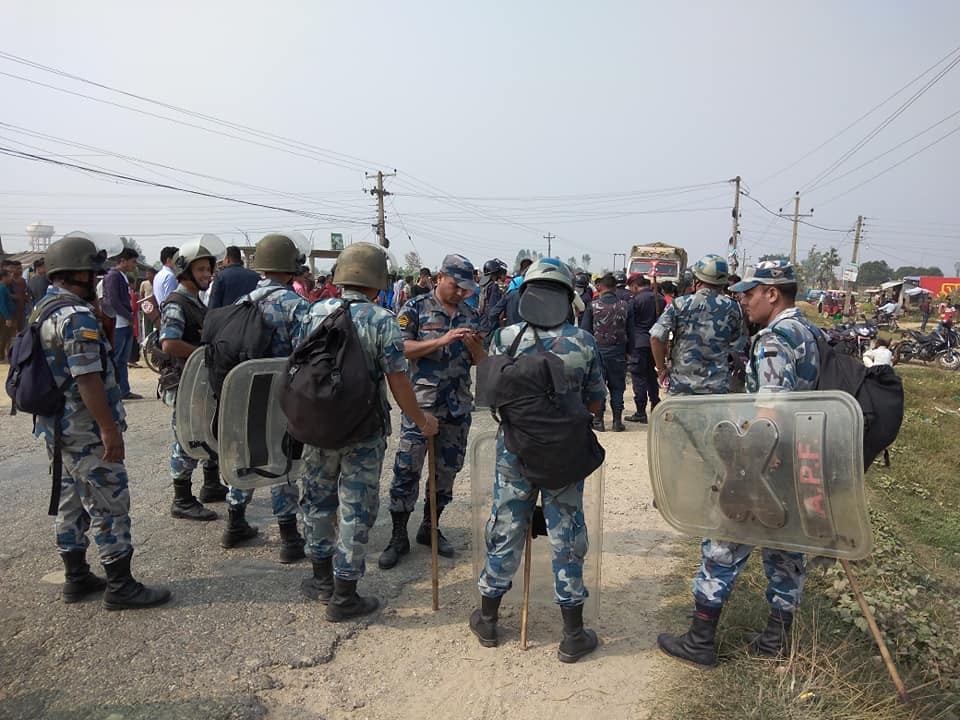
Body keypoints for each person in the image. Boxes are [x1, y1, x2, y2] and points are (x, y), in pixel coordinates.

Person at [657, 260, 819, 666]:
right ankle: (776, 641)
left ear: (773, 293)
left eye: (750, 292)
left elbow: (770, 414)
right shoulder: (810, 332)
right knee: (786, 550)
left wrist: (743, 475)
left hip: (764, 466)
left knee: (721, 547)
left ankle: (699, 640)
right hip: (801, 460)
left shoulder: (774, 340)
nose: (742, 299)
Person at [470, 258, 605, 662]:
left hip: (514, 448)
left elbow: (492, 395)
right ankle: (573, 633)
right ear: (567, 297)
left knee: (507, 522)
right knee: (567, 531)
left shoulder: (505, 337)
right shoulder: (583, 343)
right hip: (564, 451)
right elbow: (596, 401)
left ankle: (489, 619)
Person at [296, 243, 439, 620]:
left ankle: (320, 580)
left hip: (317, 425)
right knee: (356, 506)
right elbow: (398, 381)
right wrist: (421, 420)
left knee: (317, 500)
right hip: (363, 429)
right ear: (378, 282)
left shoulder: (314, 312)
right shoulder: (382, 319)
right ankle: (345, 595)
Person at [32, 233, 171, 610]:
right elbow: (88, 377)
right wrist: (108, 429)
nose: (95, 280)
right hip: (85, 428)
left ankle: (76, 576)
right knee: (109, 502)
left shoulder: (43, 308)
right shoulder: (75, 317)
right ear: (74, 273)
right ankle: (120, 585)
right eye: (91, 273)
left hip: (56, 427)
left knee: (70, 499)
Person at [379, 254, 485, 569]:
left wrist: (475, 348)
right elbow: (400, 348)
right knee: (407, 470)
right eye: (455, 286)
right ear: (440, 277)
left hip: (457, 406)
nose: (461, 293)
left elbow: (481, 359)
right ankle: (399, 534)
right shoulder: (414, 308)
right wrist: (442, 340)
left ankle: (431, 527)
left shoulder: (470, 313)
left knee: (446, 472)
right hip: (420, 405)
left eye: (466, 289)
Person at [217, 233, 311, 561]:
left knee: (247, 456)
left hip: (245, 394)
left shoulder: (244, 300)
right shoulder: (296, 305)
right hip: (283, 395)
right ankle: (288, 538)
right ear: (289, 267)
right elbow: (308, 353)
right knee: (282, 460)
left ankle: (234, 524)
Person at [158, 235, 226, 521]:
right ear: (185, 271)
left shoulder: (196, 302)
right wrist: (204, 352)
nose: (207, 274)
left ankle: (211, 484)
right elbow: (169, 343)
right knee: (185, 438)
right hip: (184, 382)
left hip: (199, 382)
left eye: (209, 269)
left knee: (208, 431)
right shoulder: (177, 303)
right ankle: (182, 498)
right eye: (201, 270)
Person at [650, 254, 745, 397]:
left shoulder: (679, 304)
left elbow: (656, 338)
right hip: (717, 389)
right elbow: (738, 346)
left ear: (697, 280)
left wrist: (661, 369)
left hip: (682, 387)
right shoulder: (734, 307)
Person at [579, 273, 634, 432]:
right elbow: (631, 332)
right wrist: (629, 353)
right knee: (617, 388)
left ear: (600, 287)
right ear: (615, 288)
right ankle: (617, 422)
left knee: (599, 387)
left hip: (598, 353)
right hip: (618, 353)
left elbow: (585, 331)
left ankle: (599, 421)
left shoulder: (592, 306)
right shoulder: (625, 306)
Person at [102, 247, 142, 400]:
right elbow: (113, 301)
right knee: (116, 359)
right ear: (123, 261)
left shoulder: (121, 276)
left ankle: (124, 390)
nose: (135, 265)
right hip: (118, 323)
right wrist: (128, 315)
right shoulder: (113, 276)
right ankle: (114, 391)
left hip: (124, 322)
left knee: (123, 360)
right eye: (133, 261)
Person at [625, 273, 664, 423]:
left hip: (639, 343)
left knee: (639, 377)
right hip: (656, 344)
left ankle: (640, 411)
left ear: (635, 286)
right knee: (651, 376)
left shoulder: (635, 300)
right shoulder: (659, 299)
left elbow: (630, 323)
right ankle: (655, 402)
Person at [0, 268, 14, 362]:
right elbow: (2, 304)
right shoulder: (1, 288)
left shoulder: (5, 287)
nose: (10, 278)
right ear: (3, 277)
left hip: (6, 315)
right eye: (8, 276)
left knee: (6, 337)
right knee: (3, 336)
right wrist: (7, 318)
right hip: (3, 316)